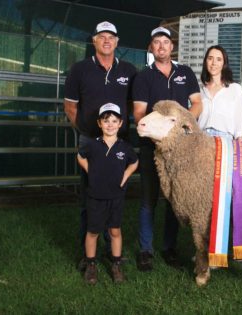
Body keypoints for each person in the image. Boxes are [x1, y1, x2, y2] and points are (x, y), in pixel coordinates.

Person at [63, 21, 137, 267]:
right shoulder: (79, 69)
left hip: (118, 142)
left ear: (117, 42)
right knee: (90, 196)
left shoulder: (128, 70)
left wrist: (118, 130)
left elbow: (131, 106)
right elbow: (71, 107)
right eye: (101, 36)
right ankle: (88, 254)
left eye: (111, 37)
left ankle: (111, 249)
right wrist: (86, 130)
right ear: (94, 40)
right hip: (91, 141)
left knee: (115, 196)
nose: (106, 40)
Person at [132, 26, 202, 271]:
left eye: (165, 42)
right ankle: (146, 250)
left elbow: (196, 103)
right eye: (156, 43)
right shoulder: (143, 77)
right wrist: (160, 136)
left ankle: (169, 247)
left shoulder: (185, 73)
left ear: (172, 46)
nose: (161, 46)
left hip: (180, 150)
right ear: (151, 48)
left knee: (176, 199)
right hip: (152, 147)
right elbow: (139, 112)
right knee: (148, 200)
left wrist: (182, 127)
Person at [77, 103, 138, 284]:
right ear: (99, 123)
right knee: (93, 231)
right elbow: (80, 156)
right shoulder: (92, 145)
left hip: (116, 196)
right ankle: (91, 264)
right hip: (96, 196)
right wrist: (91, 171)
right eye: (106, 121)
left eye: (114, 121)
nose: (110, 125)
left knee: (115, 230)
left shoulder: (124, 147)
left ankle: (116, 264)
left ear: (120, 123)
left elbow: (134, 163)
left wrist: (125, 176)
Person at [198, 45, 242, 140]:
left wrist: (238, 150)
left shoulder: (235, 89)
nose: (214, 63)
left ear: (224, 64)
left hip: (225, 140)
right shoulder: (199, 91)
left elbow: (239, 126)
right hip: (201, 140)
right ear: (206, 62)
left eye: (219, 59)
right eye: (210, 58)